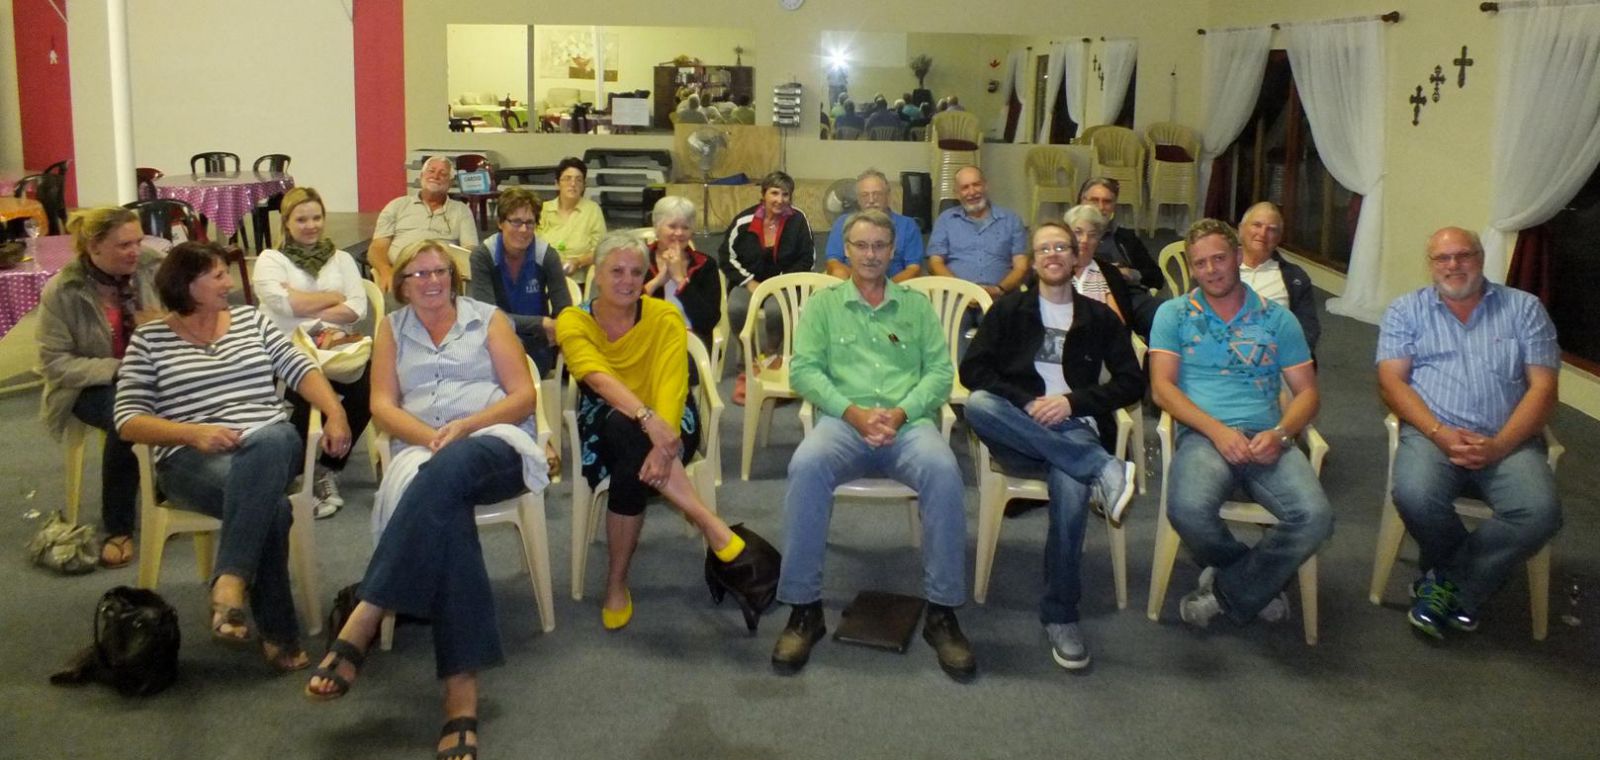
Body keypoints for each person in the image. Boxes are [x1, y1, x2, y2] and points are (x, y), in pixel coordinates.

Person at [305, 239, 549, 760]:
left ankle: (368, 610)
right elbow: (381, 405)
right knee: (446, 502)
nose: (433, 281)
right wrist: (431, 437)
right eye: (419, 274)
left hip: (495, 442)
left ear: (452, 277)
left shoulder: (487, 319)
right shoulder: (392, 329)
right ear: (401, 284)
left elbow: (523, 396)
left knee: (447, 473)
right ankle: (461, 695)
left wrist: (467, 427)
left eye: (440, 271)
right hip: (424, 450)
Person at [115, 241, 353, 672]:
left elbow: (301, 368)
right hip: (191, 458)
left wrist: (335, 413)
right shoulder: (150, 340)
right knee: (273, 508)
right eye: (219, 275)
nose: (229, 282)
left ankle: (230, 582)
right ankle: (276, 632)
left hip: (269, 442)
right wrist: (192, 434)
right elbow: (128, 419)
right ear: (187, 285)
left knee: (272, 439)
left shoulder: (250, 320)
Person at [771, 209, 974, 681]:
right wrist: (852, 413)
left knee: (944, 471)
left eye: (880, 246)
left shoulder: (916, 306)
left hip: (907, 425)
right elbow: (804, 371)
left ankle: (942, 611)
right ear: (846, 250)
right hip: (844, 423)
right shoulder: (823, 306)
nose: (870, 255)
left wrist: (900, 413)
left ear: (892, 251)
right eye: (861, 246)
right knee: (806, 466)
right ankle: (803, 609)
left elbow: (940, 373)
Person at [556, 232, 776, 631]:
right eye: (616, 271)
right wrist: (645, 418)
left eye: (636, 272)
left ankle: (616, 583)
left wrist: (662, 439)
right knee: (622, 428)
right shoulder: (574, 320)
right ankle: (710, 524)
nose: (627, 280)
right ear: (597, 275)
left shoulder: (664, 316)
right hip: (606, 418)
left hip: (670, 420)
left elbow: (672, 384)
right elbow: (597, 377)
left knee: (630, 458)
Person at [961, 221, 1143, 669]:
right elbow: (973, 372)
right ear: (1033, 261)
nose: (1053, 255)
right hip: (1017, 430)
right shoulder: (1010, 311)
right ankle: (1102, 467)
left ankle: (1061, 614)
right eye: (1044, 249)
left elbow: (1131, 382)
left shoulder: (1099, 317)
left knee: (1071, 489)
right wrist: (1027, 402)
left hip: (1074, 427)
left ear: (1076, 256)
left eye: (1061, 246)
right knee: (979, 405)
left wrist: (1071, 402)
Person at [1376, 226, 1561, 639]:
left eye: (1464, 255)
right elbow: (1391, 383)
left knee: (1540, 512)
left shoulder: (1525, 309)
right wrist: (1438, 431)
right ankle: (1468, 584)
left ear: (1481, 258)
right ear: (1430, 265)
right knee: (1414, 494)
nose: (1453, 265)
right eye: (1442, 258)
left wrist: (1499, 445)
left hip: (1507, 439)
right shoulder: (1406, 310)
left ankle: (1446, 583)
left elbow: (1544, 389)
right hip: (1432, 435)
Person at [1147, 219, 1332, 630]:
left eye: (1218, 259)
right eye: (1200, 263)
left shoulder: (1277, 319)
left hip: (1268, 436)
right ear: (1192, 268)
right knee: (1187, 510)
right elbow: (1162, 389)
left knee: (1316, 517)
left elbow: (1308, 394)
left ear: (1236, 257)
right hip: (1204, 435)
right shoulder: (1174, 314)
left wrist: (1281, 433)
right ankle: (1255, 577)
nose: (1211, 270)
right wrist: (1217, 431)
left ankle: (1227, 591)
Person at [37, 207, 163, 568]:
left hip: (151, 373)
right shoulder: (63, 290)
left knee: (202, 396)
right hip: (86, 384)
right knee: (128, 418)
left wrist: (166, 324)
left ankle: (173, 494)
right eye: (124, 245)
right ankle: (119, 526)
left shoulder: (152, 268)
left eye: (138, 241)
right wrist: (119, 369)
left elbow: (186, 315)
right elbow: (55, 364)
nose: (136, 251)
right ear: (94, 247)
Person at [252, 186, 372, 518]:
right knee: (310, 387)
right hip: (283, 350)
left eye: (317, 218)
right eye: (302, 219)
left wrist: (303, 305)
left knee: (371, 385)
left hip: (335, 349)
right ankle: (296, 474)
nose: (311, 226)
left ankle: (327, 468)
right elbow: (282, 305)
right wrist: (333, 298)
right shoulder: (270, 260)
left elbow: (358, 308)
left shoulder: (342, 258)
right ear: (286, 222)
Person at [720, 170, 815, 405]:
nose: (780, 200)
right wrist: (749, 282)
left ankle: (772, 354)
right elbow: (726, 256)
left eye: (785, 194)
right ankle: (748, 359)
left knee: (775, 311)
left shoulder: (798, 220)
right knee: (736, 308)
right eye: (774, 193)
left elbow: (808, 258)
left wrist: (778, 283)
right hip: (749, 281)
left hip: (784, 284)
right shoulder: (744, 221)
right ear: (763, 194)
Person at [468, 186, 571, 374]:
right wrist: (541, 323)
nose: (524, 230)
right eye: (516, 222)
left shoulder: (546, 255)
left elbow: (564, 309)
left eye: (530, 223)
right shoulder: (483, 256)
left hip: (536, 347)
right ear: (500, 223)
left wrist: (556, 326)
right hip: (494, 343)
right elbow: (486, 315)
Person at [367, 156, 480, 292]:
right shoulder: (397, 206)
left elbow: (470, 249)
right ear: (421, 176)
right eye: (431, 171)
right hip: (401, 278)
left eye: (443, 174)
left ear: (450, 182)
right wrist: (385, 270)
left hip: (441, 279)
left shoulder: (461, 210)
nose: (436, 176)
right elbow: (377, 247)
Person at [927, 166, 1029, 298]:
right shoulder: (945, 220)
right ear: (956, 193)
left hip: (1001, 297)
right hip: (955, 297)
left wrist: (999, 289)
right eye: (965, 187)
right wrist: (961, 290)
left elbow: (1021, 266)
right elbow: (935, 262)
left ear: (985, 186)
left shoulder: (1011, 220)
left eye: (976, 185)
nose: (972, 192)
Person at [1078, 177, 1162, 335]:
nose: (1100, 207)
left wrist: (1131, 273)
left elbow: (1157, 278)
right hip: (1084, 294)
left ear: (1114, 206)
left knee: (1168, 316)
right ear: (1082, 201)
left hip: (1129, 296)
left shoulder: (1125, 238)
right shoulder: (1066, 235)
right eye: (1094, 200)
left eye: (1107, 202)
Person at [1238, 201, 1321, 352]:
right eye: (1257, 225)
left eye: (1271, 229)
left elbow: (1308, 330)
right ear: (1241, 229)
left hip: (1275, 356)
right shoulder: (1216, 269)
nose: (1263, 233)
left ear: (1278, 238)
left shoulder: (1295, 277)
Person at [643, 196, 722, 349]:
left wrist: (680, 280)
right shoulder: (639, 260)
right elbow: (624, 308)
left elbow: (709, 320)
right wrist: (658, 281)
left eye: (685, 228)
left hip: (691, 342)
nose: (679, 233)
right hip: (647, 339)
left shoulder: (705, 264)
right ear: (657, 227)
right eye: (672, 226)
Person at [824, 169, 924, 282]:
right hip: (851, 285)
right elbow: (833, 262)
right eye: (865, 195)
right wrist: (862, 284)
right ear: (858, 199)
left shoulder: (908, 226)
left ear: (888, 196)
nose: (871, 200)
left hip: (896, 287)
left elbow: (914, 269)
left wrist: (885, 288)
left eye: (877, 194)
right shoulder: (842, 223)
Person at [1063, 204, 1140, 329]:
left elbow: (1119, 325)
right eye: (1078, 232)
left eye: (1092, 234)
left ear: (1099, 239)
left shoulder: (1109, 274)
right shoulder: (1056, 270)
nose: (1085, 239)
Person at [536, 156, 607, 279]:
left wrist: (578, 261)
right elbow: (531, 245)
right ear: (557, 184)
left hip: (579, 279)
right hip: (544, 277)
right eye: (567, 179)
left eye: (578, 180)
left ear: (584, 186)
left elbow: (601, 250)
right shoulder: (543, 210)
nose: (573, 184)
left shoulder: (592, 210)